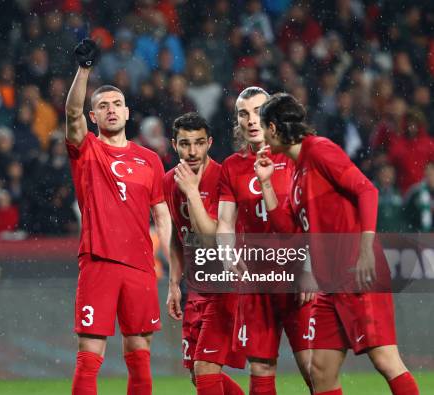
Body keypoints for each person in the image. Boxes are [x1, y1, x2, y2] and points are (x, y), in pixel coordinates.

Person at [254, 93, 419, 395]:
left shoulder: (320, 150)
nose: (262, 136)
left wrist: (366, 249)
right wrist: (265, 183)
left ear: (274, 128)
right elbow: (289, 233)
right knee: (321, 372)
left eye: (264, 127)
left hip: (357, 271)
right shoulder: (295, 173)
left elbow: (366, 190)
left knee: (385, 359)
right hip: (329, 286)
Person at [66, 39, 172, 395]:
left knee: (140, 353)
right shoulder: (87, 150)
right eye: (102, 106)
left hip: (141, 265)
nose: (111, 110)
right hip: (99, 260)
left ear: (127, 113)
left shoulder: (150, 160)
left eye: (117, 104)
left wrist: (172, 262)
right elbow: (71, 115)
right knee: (89, 353)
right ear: (93, 116)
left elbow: (161, 214)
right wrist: (84, 72)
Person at [216, 87, 314, 395]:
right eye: (244, 113)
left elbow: (314, 215)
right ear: (237, 121)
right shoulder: (231, 167)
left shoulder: (294, 155)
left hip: (296, 275)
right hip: (257, 282)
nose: (251, 120)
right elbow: (224, 223)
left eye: (258, 111)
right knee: (261, 368)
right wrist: (228, 256)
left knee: (314, 369)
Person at [163, 112, 244, 395]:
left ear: (209, 143)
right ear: (174, 145)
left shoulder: (223, 177)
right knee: (198, 375)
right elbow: (177, 234)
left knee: (206, 369)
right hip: (196, 288)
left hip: (227, 285)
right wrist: (174, 283)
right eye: (185, 144)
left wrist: (192, 192)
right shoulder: (168, 181)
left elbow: (211, 239)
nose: (192, 151)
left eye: (199, 143)